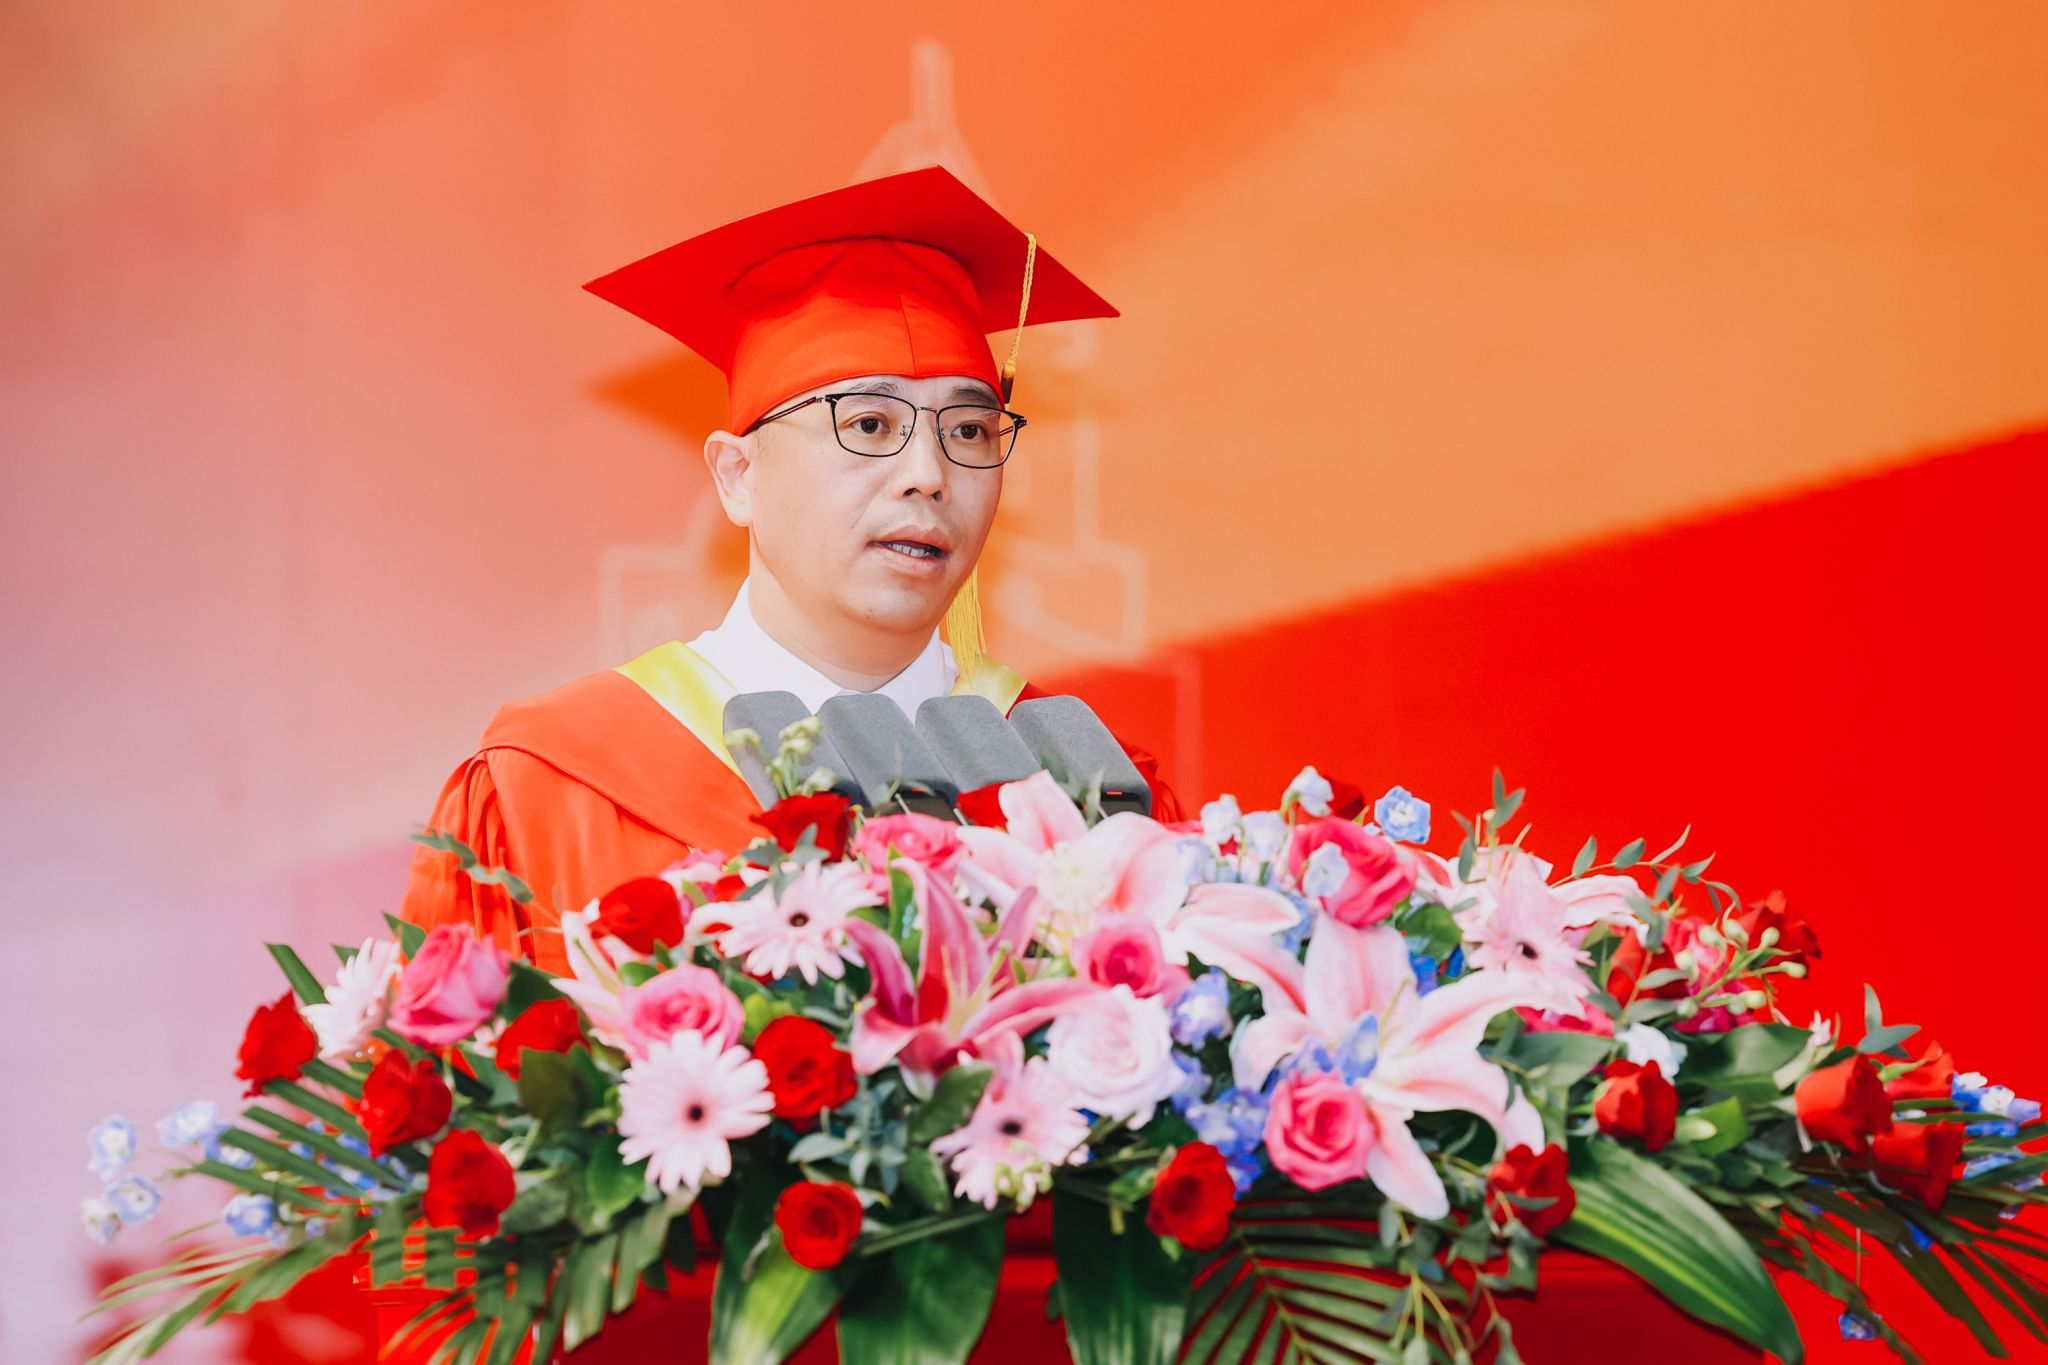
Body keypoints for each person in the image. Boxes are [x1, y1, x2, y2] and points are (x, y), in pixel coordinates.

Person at [399, 166, 1175, 972]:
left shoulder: (1088, 795)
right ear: (738, 476)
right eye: (869, 423)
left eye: (970, 431)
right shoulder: (554, 789)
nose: (929, 474)